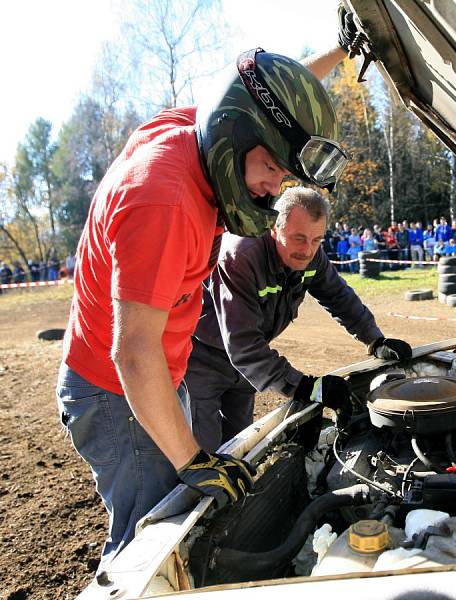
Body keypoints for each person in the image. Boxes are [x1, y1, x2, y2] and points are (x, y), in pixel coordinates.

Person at [55, 35, 356, 567]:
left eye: (285, 172)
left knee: (173, 516)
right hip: (117, 391)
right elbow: (133, 353)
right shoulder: (165, 201)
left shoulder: (203, 131)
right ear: (236, 135)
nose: (273, 186)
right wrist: (193, 461)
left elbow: (267, 97)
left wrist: (342, 50)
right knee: (148, 543)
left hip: (155, 377)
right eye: (271, 168)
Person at [186, 187, 412, 453]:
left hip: (245, 368)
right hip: (202, 360)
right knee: (205, 453)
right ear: (274, 228)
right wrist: (305, 386)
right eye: (299, 238)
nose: (307, 250)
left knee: (239, 446)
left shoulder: (311, 256)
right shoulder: (241, 256)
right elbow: (243, 345)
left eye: (317, 240)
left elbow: (338, 295)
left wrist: (374, 339)